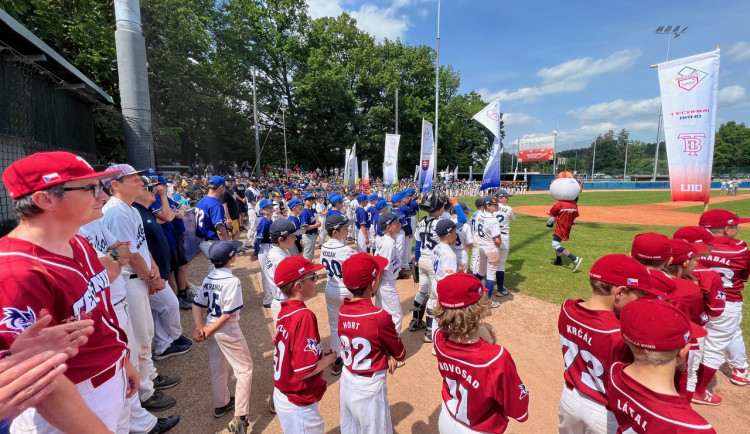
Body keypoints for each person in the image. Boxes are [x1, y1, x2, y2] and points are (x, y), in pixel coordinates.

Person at [0, 152, 139, 433]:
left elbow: (99, 315)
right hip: (70, 405)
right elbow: (39, 381)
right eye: (91, 188)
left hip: (109, 379)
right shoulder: (16, 270)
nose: (103, 197)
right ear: (45, 199)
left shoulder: (76, 241)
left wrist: (122, 361)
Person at [78, 218, 179, 434]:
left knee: (128, 361)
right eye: (91, 189)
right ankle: (142, 422)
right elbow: (111, 268)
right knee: (116, 376)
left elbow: (124, 254)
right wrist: (113, 257)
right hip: (101, 308)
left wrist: (111, 257)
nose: (101, 197)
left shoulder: (93, 222)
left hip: (113, 301)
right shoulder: (74, 230)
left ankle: (141, 421)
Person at [557, 254, 665, 434]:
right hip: (605, 414)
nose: (640, 302)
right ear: (620, 293)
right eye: (639, 296)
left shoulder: (567, 308)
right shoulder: (621, 334)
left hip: (570, 399)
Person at [101, 164, 179, 412]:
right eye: (133, 179)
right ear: (115, 185)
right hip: (129, 281)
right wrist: (151, 278)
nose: (140, 182)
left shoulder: (131, 209)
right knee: (139, 340)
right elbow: (130, 256)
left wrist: (153, 268)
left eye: (138, 178)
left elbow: (141, 247)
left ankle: (151, 377)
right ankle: (145, 393)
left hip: (140, 278)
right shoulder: (116, 212)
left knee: (146, 334)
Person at [433, 273, 529, 433]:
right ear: (478, 309)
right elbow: (518, 408)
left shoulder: (438, 339)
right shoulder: (496, 358)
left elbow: (447, 331)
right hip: (480, 428)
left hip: (447, 417)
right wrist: (488, 339)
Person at [607, 299, 716, 433]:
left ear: (624, 338)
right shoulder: (696, 428)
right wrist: (682, 371)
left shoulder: (615, 372)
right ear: (684, 352)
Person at [338, 252, 406, 434]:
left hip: (346, 381)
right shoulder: (379, 316)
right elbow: (400, 353)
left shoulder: (343, 310)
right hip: (369, 387)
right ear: (373, 284)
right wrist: (388, 354)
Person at [192, 241, 253, 434]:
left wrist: (199, 327)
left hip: (211, 325)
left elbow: (196, 303)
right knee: (244, 369)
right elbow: (227, 314)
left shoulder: (209, 277)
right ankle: (240, 417)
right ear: (231, 259)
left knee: (218, 368)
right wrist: (206, 330)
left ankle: (221, 403)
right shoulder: (232, 281)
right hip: (226, 329)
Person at [271, 256, 337, 433]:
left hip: (284, 393)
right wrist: (329, 359)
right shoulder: (303, 315)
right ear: (298, 286)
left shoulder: (285, 309)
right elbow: (304, 371)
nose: (316, 281)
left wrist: (319, 356)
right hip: (297, 402)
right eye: (313, 277)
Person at [132, 176, 192, 361]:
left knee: (159, 310)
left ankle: (163, 344)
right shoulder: (132, 211)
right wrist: (150, 275)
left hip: (154, 268)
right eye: (148, 187)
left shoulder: (142, 210)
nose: (154, 191)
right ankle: (172, 337)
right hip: (145, 274)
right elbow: (130, 251)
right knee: (169, 304)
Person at [673, 226, 727, 405]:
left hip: (656, 333)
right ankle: (686, 406)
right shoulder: (703, 278)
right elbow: (715, 311)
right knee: (687, 373)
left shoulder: (652, 274)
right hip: (690, 333)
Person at [698, 209, 750, 389]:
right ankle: (739, 370)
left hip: (699, 299)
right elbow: (743, 277)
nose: (738, 227)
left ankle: (739, 365)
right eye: (735, 225)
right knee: (726, 335)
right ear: (726, 229)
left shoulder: (695, 246)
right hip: (728, 301)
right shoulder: (740, 249)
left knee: (706, 332)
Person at [320, 214, 356, 375]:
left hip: (331, 288)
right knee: (352, 325)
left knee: (334, 326)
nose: (347, 229)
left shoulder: (324, 246)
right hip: (345, 290)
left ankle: (337, 359)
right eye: (345, 228)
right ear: (335, 232)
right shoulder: (346, 250)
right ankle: (353, 357)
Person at [425, 219, 458, 344]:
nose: (456, 234)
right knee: (447, 316)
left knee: (435, 317)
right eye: (455, 232)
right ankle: (445, 343)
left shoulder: (436, 247)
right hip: (444, 287)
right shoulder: (449, 254)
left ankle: (436, 343)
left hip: (435, 283)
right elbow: (450, 278)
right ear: (449, 235)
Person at [472, 196, 504, 308]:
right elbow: (497, 240)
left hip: (481, 247)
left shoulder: (479, 216)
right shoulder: (493, 220)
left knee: (481, 271)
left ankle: (471, 292)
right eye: (494, 204)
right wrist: (498, 246)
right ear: (487, 206)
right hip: (491, 247)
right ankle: (488, 300)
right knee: (490, 275)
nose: (497, 206)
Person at [374, 212, 403, 333]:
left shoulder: (386, 240)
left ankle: (382, 342)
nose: (399, 224)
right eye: (396, 222)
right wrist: (374, 286)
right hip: (386, 284)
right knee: (396, 316)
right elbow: (381, 268)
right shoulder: (388, 244)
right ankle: (393, 346)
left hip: (384, 283)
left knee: (382, 315)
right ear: (388, 227)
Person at [196, 176, 231, 272]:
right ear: (221, 187)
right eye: (224, 187)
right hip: (213, 242)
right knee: (218, 271)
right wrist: (227, 243)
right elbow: (219, 228)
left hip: (204, 241)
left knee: (214, 270)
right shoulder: (215, 204)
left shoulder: (201, 201)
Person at [265, 219, 298, 323]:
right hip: (284, 303)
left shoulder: (277, 251)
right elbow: (287, 283)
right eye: (292, 236)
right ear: (280, 239)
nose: (295, 238)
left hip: (281, 301)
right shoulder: (279, 258)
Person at [548, 196, 583, 272]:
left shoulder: (559, 203)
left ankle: (574, 258)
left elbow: (552, 218)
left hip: (560, 227)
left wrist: (549, 224)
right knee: (558, 244)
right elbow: (574, 217)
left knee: (555, 245)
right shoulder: (574, 205)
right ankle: (559, 261)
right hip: (567, 227)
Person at [252, 199, 276, 307]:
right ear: (262, 210)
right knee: (266, 276)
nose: (271, 209)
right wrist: (256, 252)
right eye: (268, 208)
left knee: (271, 274)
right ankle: (267, 300)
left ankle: (271, 296)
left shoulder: (269, 220)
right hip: (265, 248)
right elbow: (257, 240)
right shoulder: (264, 222)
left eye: (271, 207)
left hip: (269, 248)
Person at [493, 189, 515, 297]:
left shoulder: (491, 208)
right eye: (506, 197)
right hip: (504, 237)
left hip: (492, 237)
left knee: (490, 262)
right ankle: (500, 289)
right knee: (500, 263)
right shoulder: (508, 208)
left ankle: (487, 286)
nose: (508, 199)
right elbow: (512, 218)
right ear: (500, 197)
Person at [300, 193, 321, 261]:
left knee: (310, 255)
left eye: (312, 199)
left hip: (311, 235)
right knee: (307, 256)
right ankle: (307, 271)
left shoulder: (310, 211)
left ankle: (309, 270)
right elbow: (304, 227)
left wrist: (316, 223)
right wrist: (316, 225)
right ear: (304, 201)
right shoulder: (304, 212)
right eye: (309, 200)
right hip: (307, 236)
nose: (311, 201)